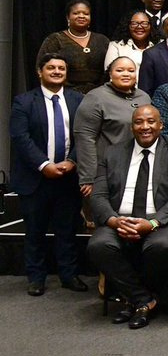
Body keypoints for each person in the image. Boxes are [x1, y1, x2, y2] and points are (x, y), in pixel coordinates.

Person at [86, 105, 168, 330]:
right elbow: (99, 195)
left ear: (161, 125)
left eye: (151, 121)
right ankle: (142, 300)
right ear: (131, 127)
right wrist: (114, 220)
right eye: (139, 122)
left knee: (161, 245)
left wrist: (153, 223)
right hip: (120, 219)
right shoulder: (112, 152)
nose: (145, 127)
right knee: (98, 245)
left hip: (162, 220)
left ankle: (133, 300)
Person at [8, 53, 87, 296]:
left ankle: (69, 275)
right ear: (39, 72)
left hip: (68, 177)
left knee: (67, 230)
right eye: (51, 67)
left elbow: (85, 135)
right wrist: (44, 165)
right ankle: (36, 278)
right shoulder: (23, 102)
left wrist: (72, 161)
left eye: (61, 68)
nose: (56, 72)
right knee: (35, 231)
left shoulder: (78, 100)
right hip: (35, 178)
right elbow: (21, 138)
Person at [73, 57, 154, 198]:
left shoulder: (144, 97)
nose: (126, 74)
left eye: (131, 70)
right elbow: (84, 138)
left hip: (140, 168)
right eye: (120, 70)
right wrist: (88, 177)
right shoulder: (96, 98)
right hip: (107, 171)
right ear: (110, 73)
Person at [36, 0, 110, 94]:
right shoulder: (55, 40)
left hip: (99, 94)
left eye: (86, 14)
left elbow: (111, 69)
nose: (81, 16)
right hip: (65, 94)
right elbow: (41, 67)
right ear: (68, 17)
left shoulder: (102, 40)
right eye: (76, 13)